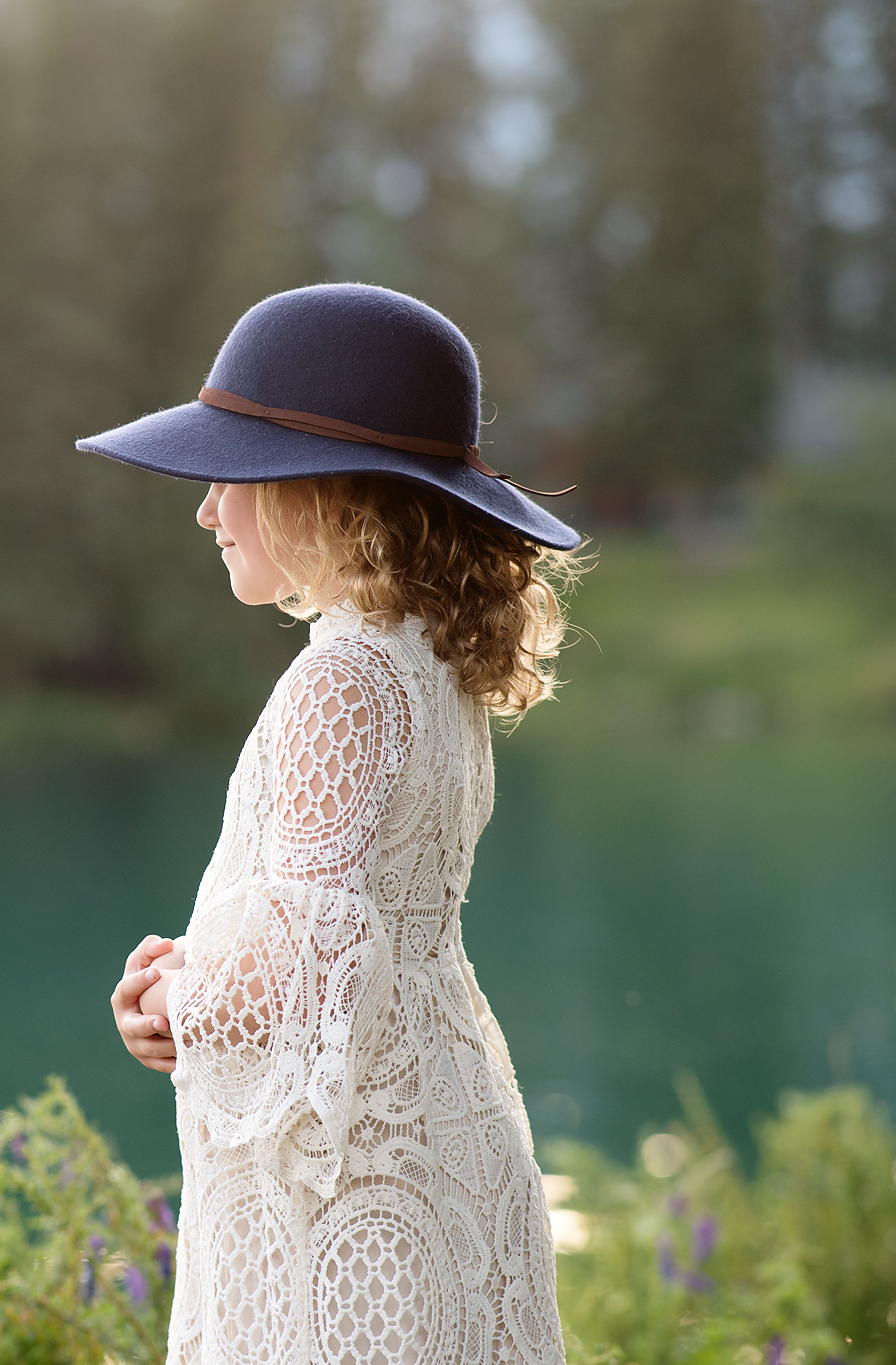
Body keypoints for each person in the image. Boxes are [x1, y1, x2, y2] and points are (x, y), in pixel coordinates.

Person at [85, 282, 586, 1365]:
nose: (207, 509)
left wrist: (171, 994)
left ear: (323, 494)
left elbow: (306, 962)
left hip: (357, 1187)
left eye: (231, 473)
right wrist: (203, 975)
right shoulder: (424, 667)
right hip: (440, 1135)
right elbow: (345, 931)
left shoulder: (342, 682)